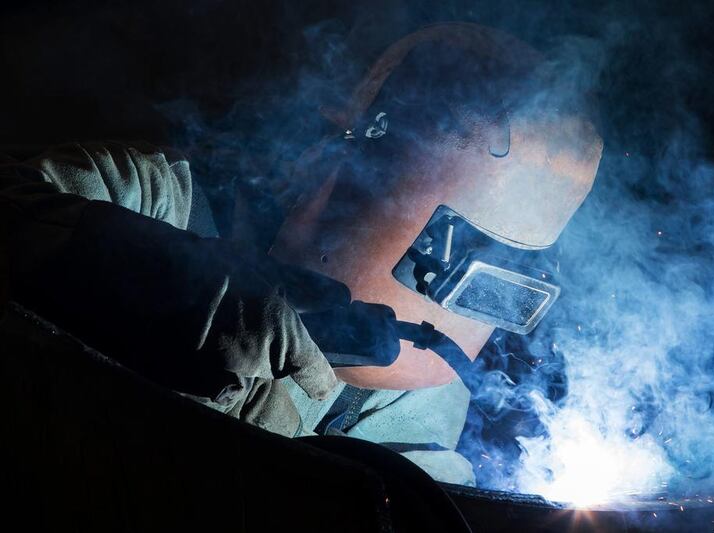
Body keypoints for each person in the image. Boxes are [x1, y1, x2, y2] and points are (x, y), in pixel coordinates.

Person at [0, 23, 602, 487]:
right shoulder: (154, 197)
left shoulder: (419, 404)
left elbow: (420, 496)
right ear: (338, 156)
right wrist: (173, 285)